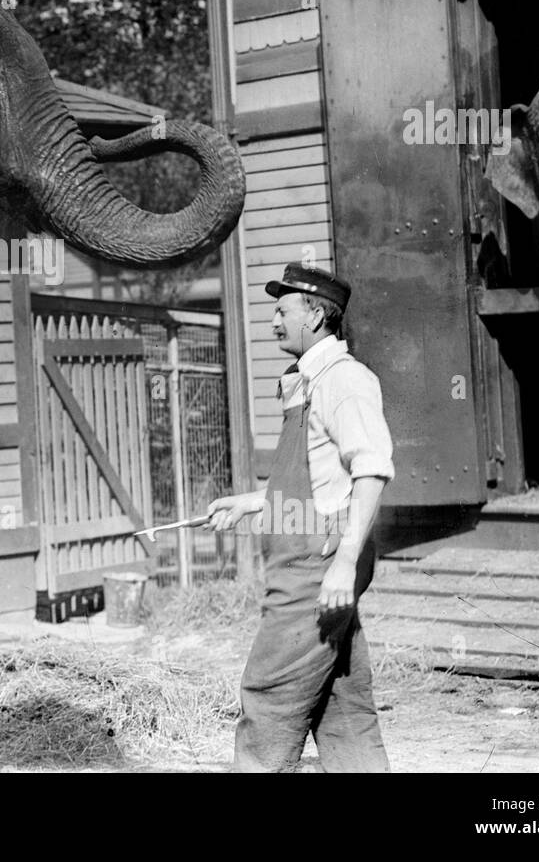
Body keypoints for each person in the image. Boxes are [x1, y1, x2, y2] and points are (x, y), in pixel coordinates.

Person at [204, 263, 393, 772]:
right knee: (343, 711)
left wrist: (343, 563)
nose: (273, 321)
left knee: (267, 697)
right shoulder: (307, 381)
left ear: (314, 314)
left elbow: (372, 472)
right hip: (313, 564)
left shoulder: (344, 381)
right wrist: (251, 502)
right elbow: (317, 484)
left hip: (314, 571)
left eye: (282, 309)